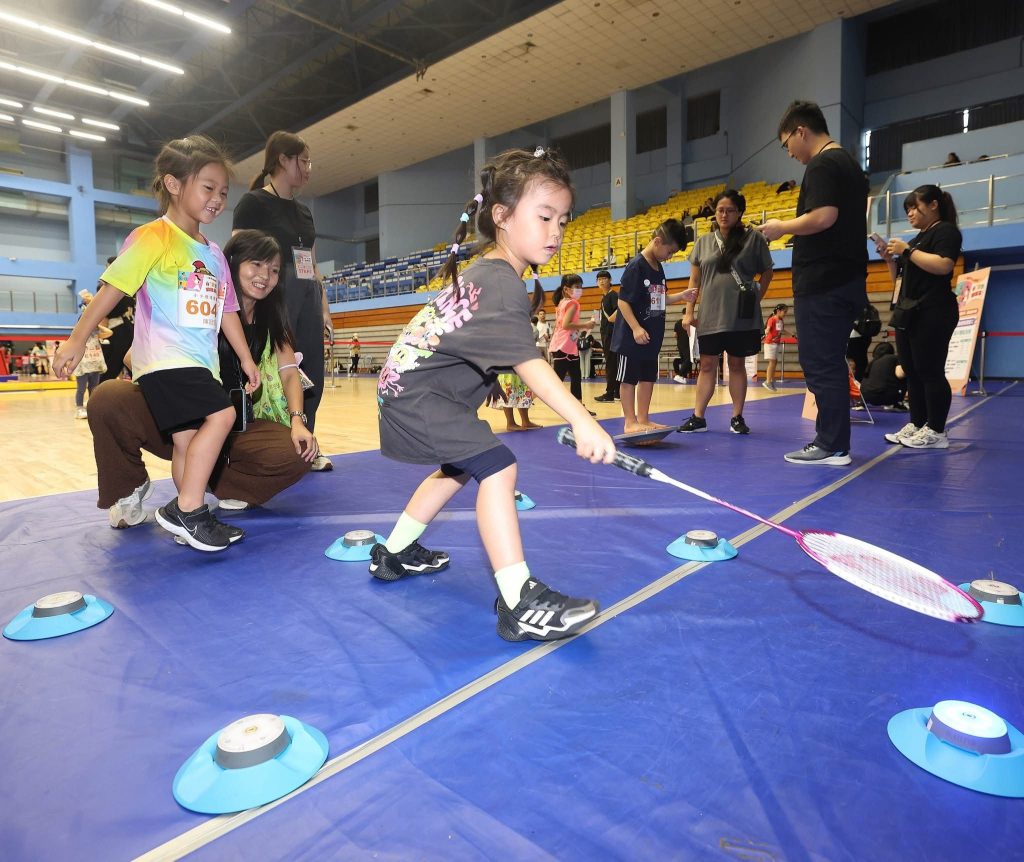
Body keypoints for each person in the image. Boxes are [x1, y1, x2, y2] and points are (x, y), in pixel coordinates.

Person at [373, 146, 616, 642]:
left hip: (406, 388)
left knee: (460, 466)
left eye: (563, 221)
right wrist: (581, 418)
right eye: (544, 216)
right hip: (418, 396)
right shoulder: (502, 283)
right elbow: (531, 365)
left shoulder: (488, 274)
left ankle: (394, 552)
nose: (556, 232)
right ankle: (519, 599)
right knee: (499, 467)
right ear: (502, 217)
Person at [53, 134, 259, 552]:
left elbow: (228, 312)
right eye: (208, 187)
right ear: (173, 184)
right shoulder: (154, 236)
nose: (218, 199)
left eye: (223, 192)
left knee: (186, 440)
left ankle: (190, 520)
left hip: (200, 364)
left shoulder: (215, 254)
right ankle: (188, 510)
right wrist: (77, 338)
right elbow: (112, 288)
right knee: (221, 415)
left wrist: (246, 359)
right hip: (165, 361)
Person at [759, 100, 868, 466]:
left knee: (820, 361)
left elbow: (824, 216)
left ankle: (832, 444)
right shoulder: (849, 164)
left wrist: (781, 228)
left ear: (800, 131)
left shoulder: (824, 164)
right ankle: (833, 440)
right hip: (845, 279)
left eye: (787, 142)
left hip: (825, 283)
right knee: (829, 361)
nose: (789, 152)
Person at [232, 130, 334, 472]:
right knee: (279, 369)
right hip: (276, 292)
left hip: (307, 292)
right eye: (303, 161)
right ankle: (274, 442)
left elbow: (313, 262)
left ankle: (308, 442)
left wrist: (325, 309)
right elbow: (238, 255)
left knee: (311, 373)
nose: (308, 169)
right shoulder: (254, 203)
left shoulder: (305, 212)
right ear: (283, 161)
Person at [678, 190, 773, 435]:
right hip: (710, 314)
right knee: (707, 365)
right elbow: (694, 279)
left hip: (741, 317)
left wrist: (755, 298)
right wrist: (689, 312)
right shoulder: (703, 242)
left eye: (730, 210)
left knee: (737, 364)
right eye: (720, 209)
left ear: (740, 212)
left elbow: (767, 272)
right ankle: (698, 417)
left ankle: (737, 417)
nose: (724, 214)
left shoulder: (754, 239)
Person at [878, 184, 962, 448]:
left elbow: (944, 265)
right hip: (908, 312)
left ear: (934, 204)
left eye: (914, 207)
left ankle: (936, 431)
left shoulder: (945, 231)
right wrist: (890, 261)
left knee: (930, 370)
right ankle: (917, 423)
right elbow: (901, 281)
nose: (910, 214)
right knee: (912, 371)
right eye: (908, 210)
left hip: (934, 310)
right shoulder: (914, 241)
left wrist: (907, 252)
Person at [611, 218, 696, 434]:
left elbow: (658, 298)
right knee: (629, 378)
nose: (670, 257)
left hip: (652, 335)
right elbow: (623, 301)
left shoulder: (658, 267)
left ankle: (644, 418)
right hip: (632, 337)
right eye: (670, 251)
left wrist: (681, 296)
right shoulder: (636, 266)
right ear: (657, 242)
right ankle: (630, 421)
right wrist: (636, 328)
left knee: (648, 376)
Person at [549, 272, 597, 414]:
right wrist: (586, 325)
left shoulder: (562, 302)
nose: (580, 290)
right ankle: (529, 399)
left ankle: (579, 407)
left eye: (581, 287)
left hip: (568, 346)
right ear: (566, 289)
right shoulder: (572, 303)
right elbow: (566, 325)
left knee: (576, 377)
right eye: (576, 286)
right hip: (563, 346)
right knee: (556, 381)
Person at [72, 290, 111, 419]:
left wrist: (97, 325)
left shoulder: (96, 332)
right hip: (83, 362)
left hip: (95, 361)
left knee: (94, 387)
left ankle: (92, 407)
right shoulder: (80, 333)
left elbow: (109, 332)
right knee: (81, 388)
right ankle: (79, 409)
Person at [99, 256, 136, 382]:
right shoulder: (128, 285)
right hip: (123, 329)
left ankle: (99, 392)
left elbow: (109, 311)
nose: (106, 268)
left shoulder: (119, 286)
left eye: (107, 266)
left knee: (119, 363)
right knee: (124, 363)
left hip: (124, 329)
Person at [593, 269, 620, 402]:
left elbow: (620, 310)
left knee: (611, 363)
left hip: (612, 334)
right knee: (613, 362)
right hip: (606, 334)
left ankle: (610, 393)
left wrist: (610, 319)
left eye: (604, 278)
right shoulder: (604, 297)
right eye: (599, 279)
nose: (602, 281)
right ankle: (616, 392)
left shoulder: (613, 295)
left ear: (610, 281)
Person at [860, 341, 906, 409]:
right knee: (905, 374)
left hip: (866, 397)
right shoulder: (894, 358)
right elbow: (900, 375)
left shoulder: (872, 361)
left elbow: (865, 378)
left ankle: (861, 403)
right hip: (886, 397)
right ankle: (898, 402)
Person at [762, 303, 788, 391]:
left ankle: (770, 380)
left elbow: (782, 330)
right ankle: (767, 382)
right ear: (778, 311)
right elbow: (768, 329)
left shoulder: (781, 321)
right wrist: (763, 334)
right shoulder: (772, 319)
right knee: (772, 362)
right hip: (770, 343)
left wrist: (792, 335)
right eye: (784, 311)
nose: (785, 313)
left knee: (775, 362)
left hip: (776, 344)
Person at [672, 317, 693, 383]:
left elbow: (675, 335)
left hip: (680, 345)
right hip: (687, 344)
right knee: (688, 359)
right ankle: (680, 375)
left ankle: (682, 377)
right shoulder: (689, 322)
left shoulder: (677, 323)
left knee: (684, 360)